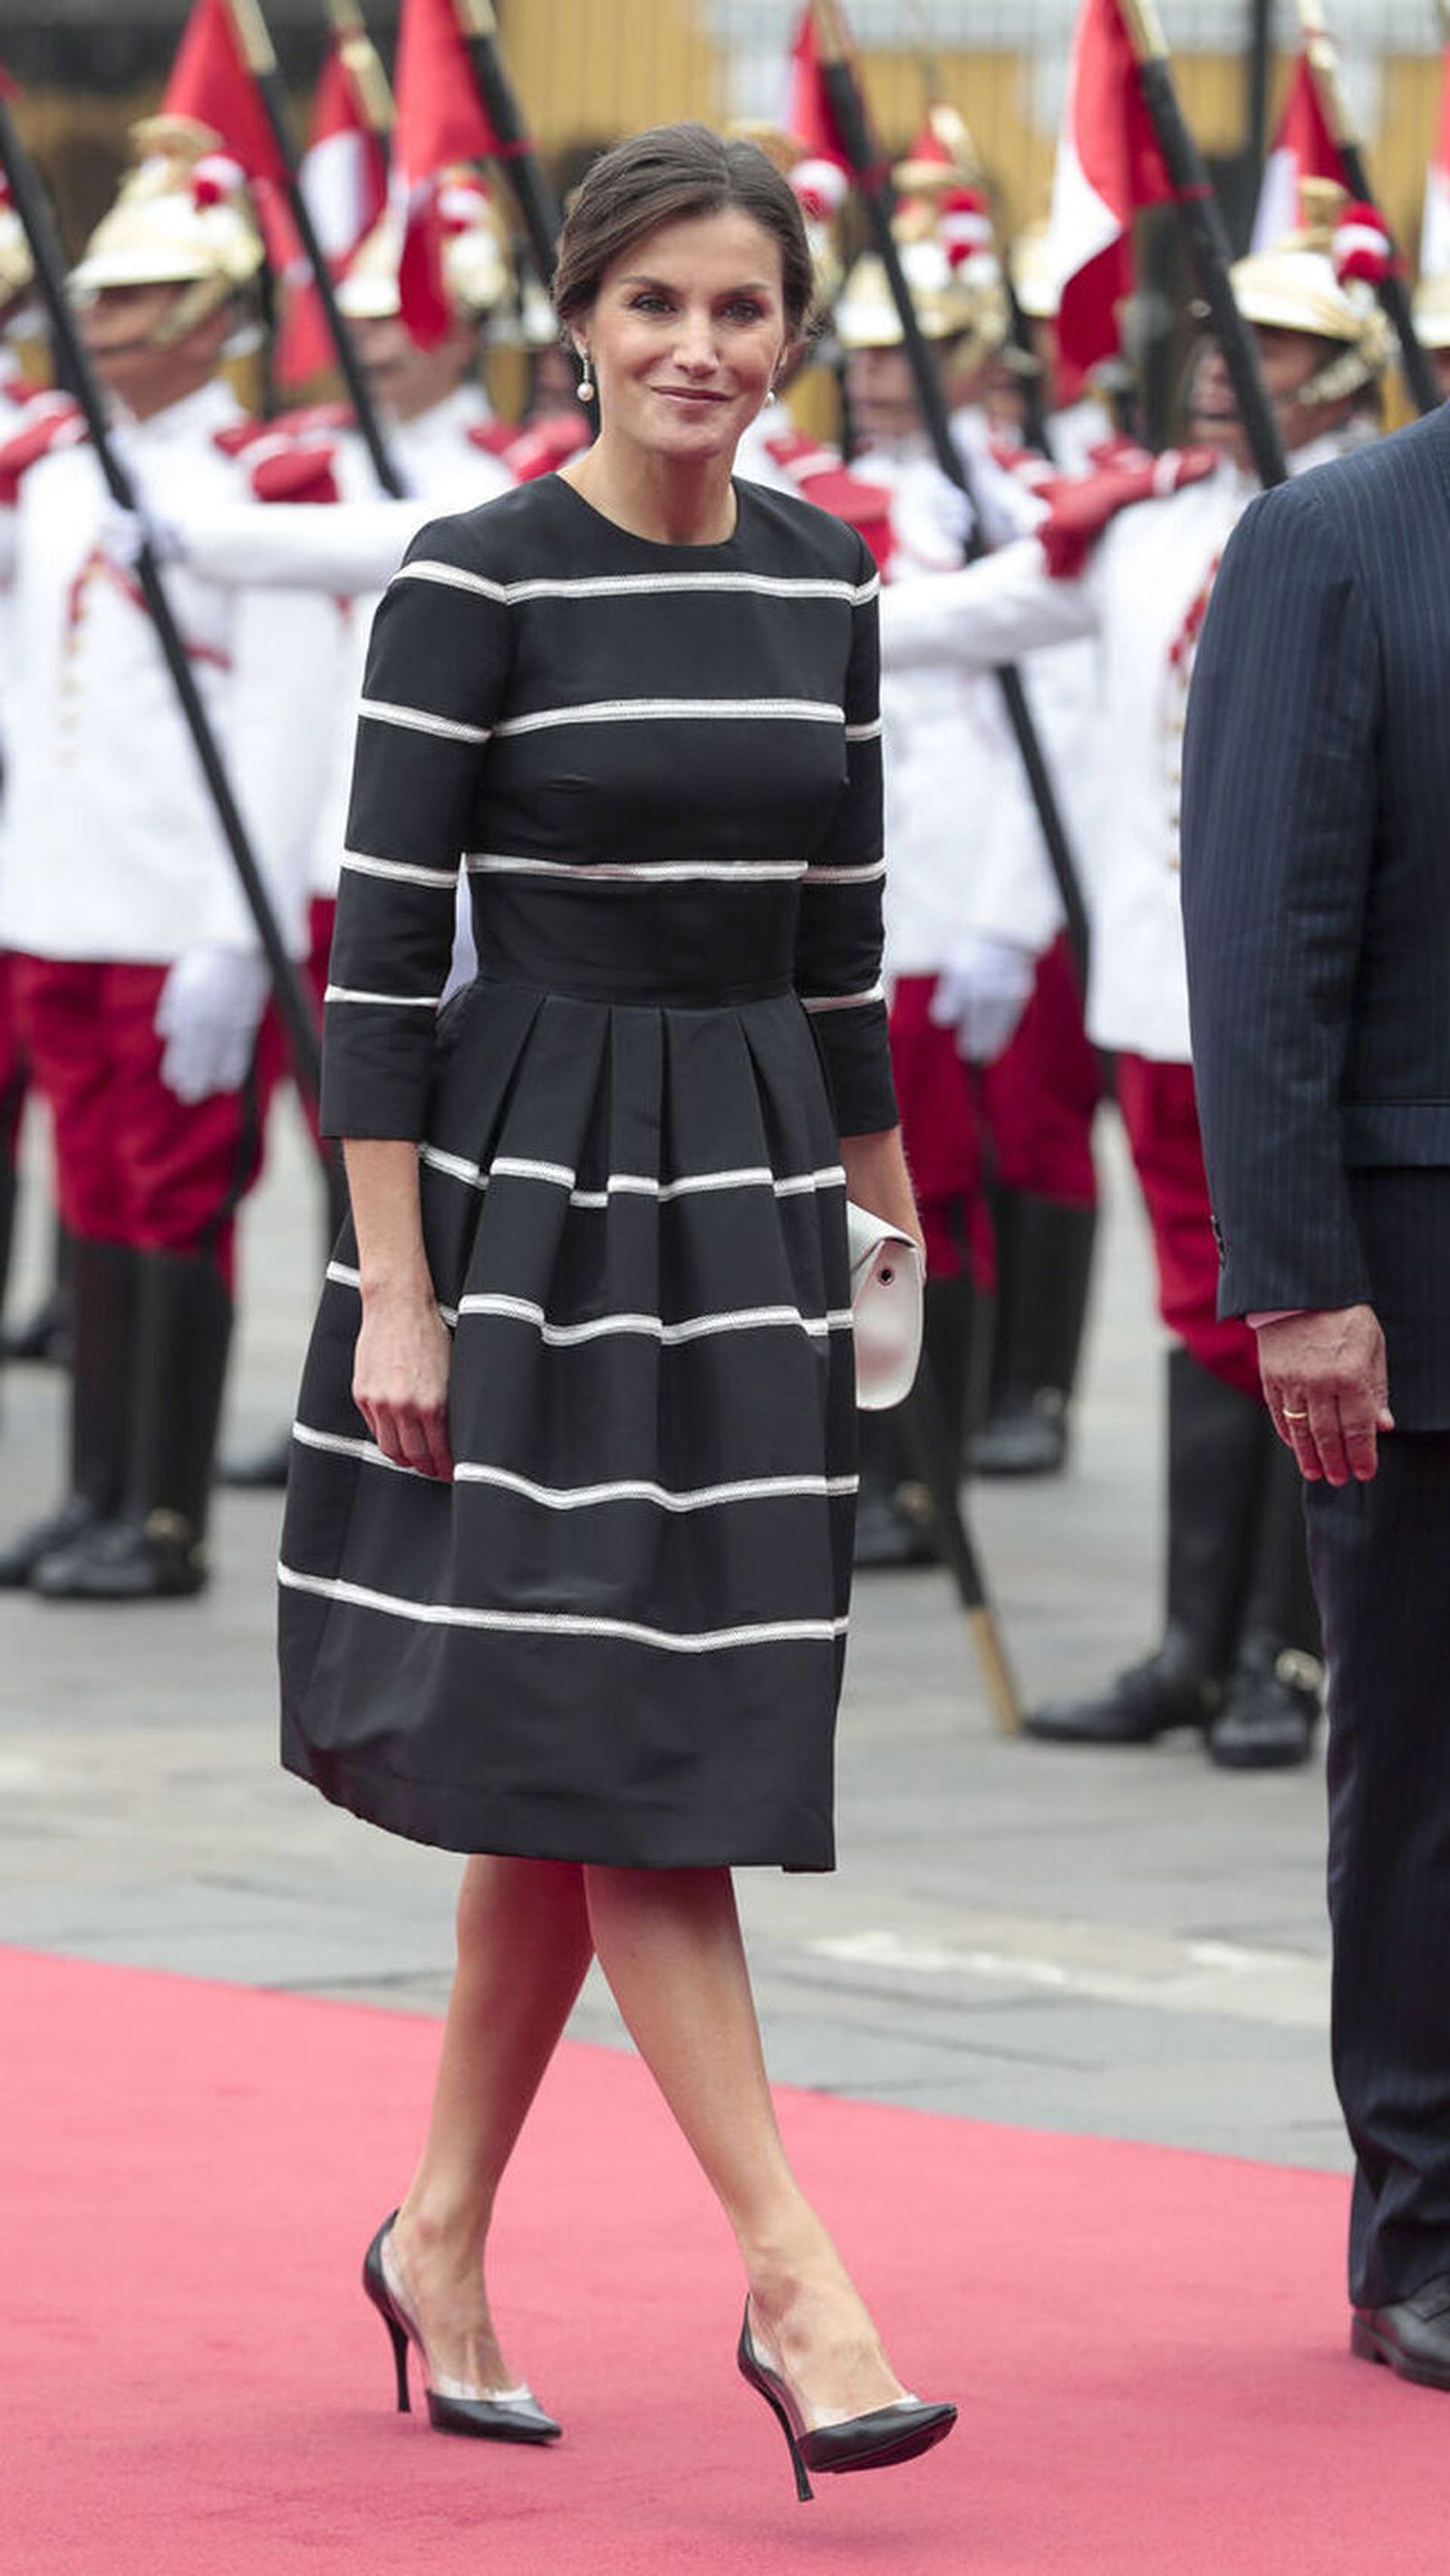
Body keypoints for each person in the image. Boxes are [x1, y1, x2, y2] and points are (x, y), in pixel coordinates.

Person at [278, 122, 955, 2495]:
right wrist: (394, 1293)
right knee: (637, 1751)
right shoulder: (466, 574)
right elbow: (373, 967)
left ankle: (438, 2230)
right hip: (524, 1204)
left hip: (749, 1197)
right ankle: (800, 2278)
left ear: (792, 337)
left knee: (587, 1738)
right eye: (656, 303)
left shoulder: (830, 581)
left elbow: (840, 950)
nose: (698, 349)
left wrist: (885, 1224)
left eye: (741, 309)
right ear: (580, 317)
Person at [879, 182, 1388, 1767]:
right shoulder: (1148, 526)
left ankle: (1289, 1654)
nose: (1230, 369)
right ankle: (1194, 1639)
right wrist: (743, 611)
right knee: (1198, 1312)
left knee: (1296, 1314)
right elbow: (947, 623)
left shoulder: (1369, 525)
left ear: (1350, 372)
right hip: (1159, 996)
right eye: (1234, 341)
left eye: (1282, 345)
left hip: (1310, 1009)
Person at [1181, 379, 1450, 2395]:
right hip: (1413, 1272)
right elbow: (1258, 932)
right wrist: (1290, 1284)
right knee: (1429, 1777)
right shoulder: (1334, 536)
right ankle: (1419, 2230)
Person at [0, 119, 327, 1598]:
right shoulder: (63, 470)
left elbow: (287, 732)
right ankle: (95, 1492)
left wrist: (232, 936)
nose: (100, 322)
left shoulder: (263, 486)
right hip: (60, 899)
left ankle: (166, 1515)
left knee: (175, 1198)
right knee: (92, 1202)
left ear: (212, 322)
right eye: (101, 296)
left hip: (174, 910)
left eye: (136, 302)